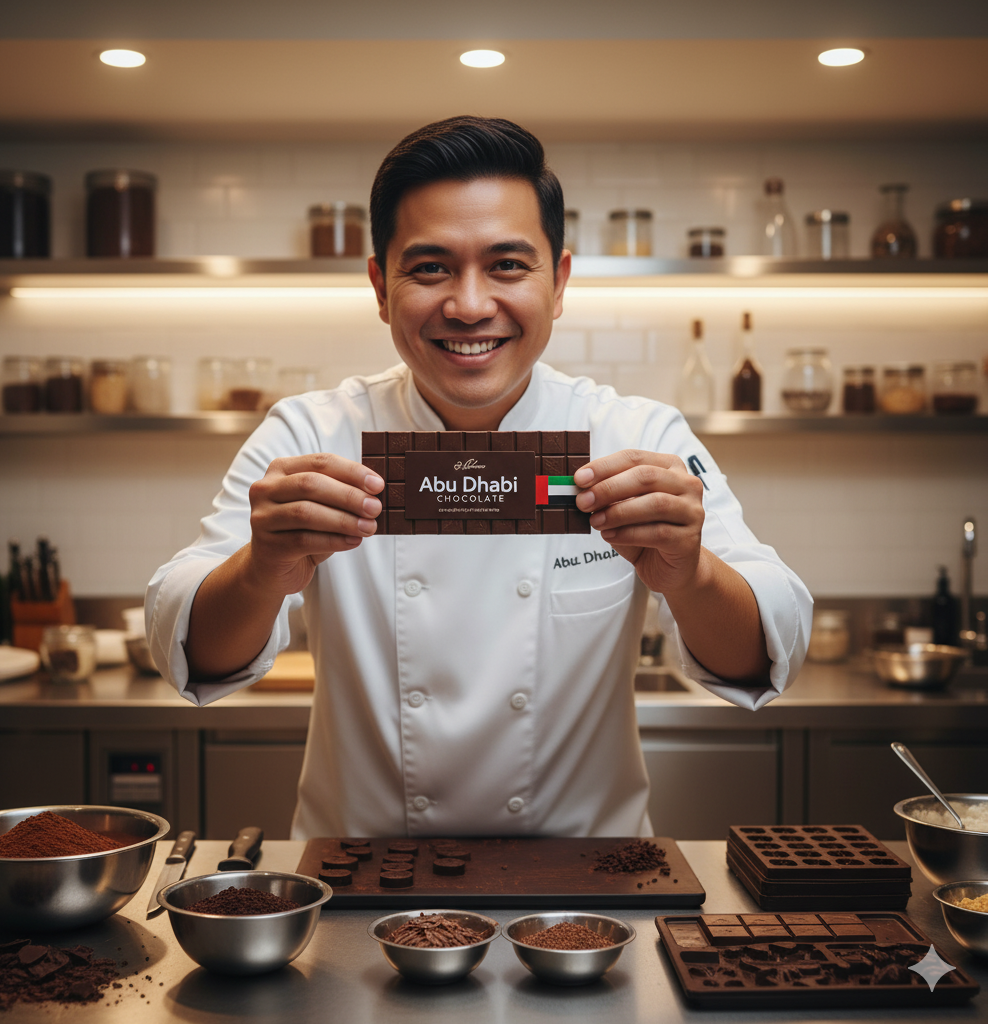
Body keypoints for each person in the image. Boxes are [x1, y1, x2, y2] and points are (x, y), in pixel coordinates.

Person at [147, 116, 812, 839]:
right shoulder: (312, 436)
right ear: (380, 286)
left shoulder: (637, 437)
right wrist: (260, 571)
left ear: (559, 282)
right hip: (360, 881)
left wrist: (691, 574)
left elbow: (768, 646)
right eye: (430, 268)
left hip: (589, 883)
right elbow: (186, 643)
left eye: (508, 266)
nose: (468, 306)